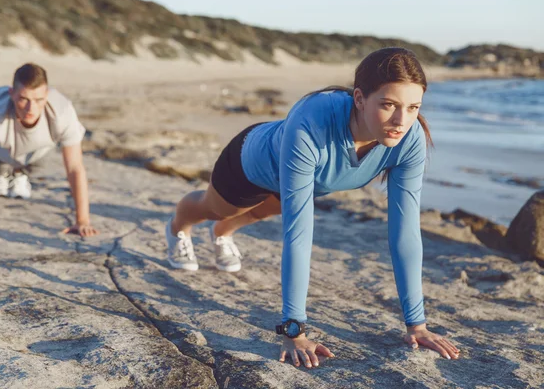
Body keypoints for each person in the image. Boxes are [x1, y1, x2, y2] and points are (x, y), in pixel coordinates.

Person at [165, 47, 460, 367]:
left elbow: (404, 231)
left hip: (299, 180)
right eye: (388, 105)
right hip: (250, 163)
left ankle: (221, 235)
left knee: (261, 212)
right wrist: (294, 330)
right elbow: (299, 234)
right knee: (217, 209)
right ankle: (178, 226)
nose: (401, 120)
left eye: (413, 107)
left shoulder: (409, 138)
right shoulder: (313, 119)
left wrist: (417, 325)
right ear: (359, 99)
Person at [0, 63, 99, 237]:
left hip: (35, 155)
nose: (31, 108)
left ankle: (19, 174)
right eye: (24, 99)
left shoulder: (62, 111)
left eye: (38, 100)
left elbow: (75, 167)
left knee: (36, 166)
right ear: (11, 93)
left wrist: (82, 221)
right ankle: (4, 176)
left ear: (47, 95)